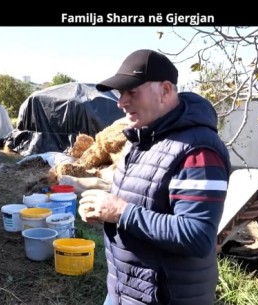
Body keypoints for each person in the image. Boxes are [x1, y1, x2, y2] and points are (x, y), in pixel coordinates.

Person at [78, 49, 230, 305]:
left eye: (132, 91)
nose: (121, 102)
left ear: (166, 90)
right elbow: (140, 204)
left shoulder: (198, 150)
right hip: (125, 290)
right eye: (120, 93)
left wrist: (120, 212)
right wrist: (104, 214)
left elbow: (198, 236)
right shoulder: (142, 139)